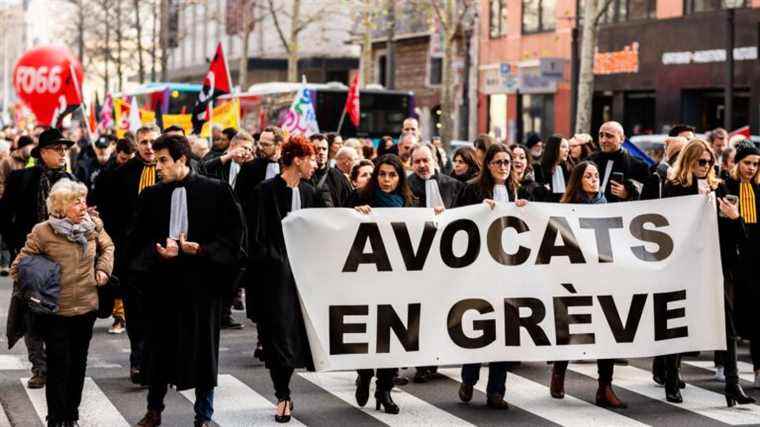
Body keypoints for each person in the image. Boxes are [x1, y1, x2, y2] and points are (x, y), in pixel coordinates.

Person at [130, 134, 246, 427]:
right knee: (159, 350)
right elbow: (136, 239)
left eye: (164, 160)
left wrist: (203, 250)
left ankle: (203, 415)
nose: (158, 167)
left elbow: (233, 237)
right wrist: (158, 253)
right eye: (156, 161)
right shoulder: (151, 196)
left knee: (203, 352)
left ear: (182, 159)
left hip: (202, 286)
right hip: (163, 285)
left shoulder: (216, 191)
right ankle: (153, 410)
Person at [11, 178, 113, 427]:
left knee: (78, 366)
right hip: (56, 310)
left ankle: (71, 416)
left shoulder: (93, 226)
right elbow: (18, 267)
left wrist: (103, 270)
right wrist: (43, 279)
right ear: (59, 207)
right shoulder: (43, 231)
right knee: (58, 367)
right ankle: (55, 418)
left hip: (86, 307)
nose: (82, 206)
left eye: (83, 201)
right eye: (76, 202)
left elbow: (108, 247)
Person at [660, 139, 754, 407]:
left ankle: (733, 384)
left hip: (715, 266)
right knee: (678, 322)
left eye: (710, 162)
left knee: (727, 326)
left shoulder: (720, 186)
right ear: (688, 161)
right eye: (701, 162)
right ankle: (671, 378)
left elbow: (739, 236)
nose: (706, 166)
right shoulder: (674, 188)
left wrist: (734, 217)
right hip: (684, 266)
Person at [246, 136, 318, 423]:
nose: (315, 164)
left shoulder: (310, 192)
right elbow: (255, 237)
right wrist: (276, 262)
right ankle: (282, 394)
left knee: (297, 338)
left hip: (306, 278)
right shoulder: (264, 192)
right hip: (274, 279)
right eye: (311, 158)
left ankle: (284, 389)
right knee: (279, 338)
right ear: (297, 159)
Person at [0, 128, 76, 390]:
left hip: (62, 258)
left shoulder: (70, 181)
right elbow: (4, 216)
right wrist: (16, 248)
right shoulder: (21, 178)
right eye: (58, 148)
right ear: (43, 152)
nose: (63, 153)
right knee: (31, 313)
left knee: (58, 313)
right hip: (30, 258)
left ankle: (55, 364)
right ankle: (39, 367)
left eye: (65, 149)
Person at [454, 144, 528, 410]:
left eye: (507, 162)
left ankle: (496, 390)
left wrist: (525, 209)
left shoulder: (519, 190)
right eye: (498, 162)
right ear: (487, 165)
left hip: (509, 272)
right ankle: (469, 378)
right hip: (480, 270)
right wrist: (478, 210)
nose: (504, 167)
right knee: (479, 328)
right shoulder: (472, 189)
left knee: (505, 333)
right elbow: (457, 221)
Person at [549, 161, 626, 409]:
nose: (594, 179)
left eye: (596, 175)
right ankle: (559, 374)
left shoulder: (606, 207)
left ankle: (605, 387)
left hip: (602, 279)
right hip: (575, 279)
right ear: (578, 180)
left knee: (607, 330)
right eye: (588, 176)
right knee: (571, 328)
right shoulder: (568, 208)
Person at [351, 154, 417, 415]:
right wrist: (354, 215)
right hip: (367, 277)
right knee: (369, 332)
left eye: (392, 175)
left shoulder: (411, 204)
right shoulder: (359, 199)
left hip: (398, 280)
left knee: (393, 335)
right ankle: (364, 374)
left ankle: (385, 389)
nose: (386, 180)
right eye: (382, 174)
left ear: (400, 178)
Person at [109, 124, 161, 385]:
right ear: (137, 145)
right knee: (136, 314)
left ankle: (158, 362)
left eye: (153, 141)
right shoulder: (122, 174)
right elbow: (112, 217)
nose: (149, 146)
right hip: (132, 258)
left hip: (164, 257)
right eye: (144, 142)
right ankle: (138, 360)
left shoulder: (170, 172)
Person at [200, 130, 256, 328]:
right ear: (232, 146)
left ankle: (225, 312)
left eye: (250, 149)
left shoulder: (252, 168)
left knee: (236, 272)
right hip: (217, 225)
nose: (246, 153)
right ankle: (216, 313)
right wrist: (228, 157)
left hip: (242, 228)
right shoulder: (217, 161)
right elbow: (202, 170)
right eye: (243, 148)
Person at [723, 142, 760, 387]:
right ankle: (728, 371)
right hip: (734, 261)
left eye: (756, 164)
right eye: (747, 163)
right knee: (732, 317)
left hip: (757, 260)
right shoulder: (727, 186)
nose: (751, 168)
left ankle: (758, 369)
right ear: (737, 162)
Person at [587, 121, 650, 203]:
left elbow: (647, 197)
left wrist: (628, 194)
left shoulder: (638, 166)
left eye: (609, 136)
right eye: (601, 135)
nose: (603, 140)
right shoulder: (589, 161)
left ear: (622, 139)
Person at [533, 134, 571, 202]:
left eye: (568, 147)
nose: (567, 150)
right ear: (553, 148)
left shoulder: (567, 169)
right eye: (563, 147)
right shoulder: (537, 168)